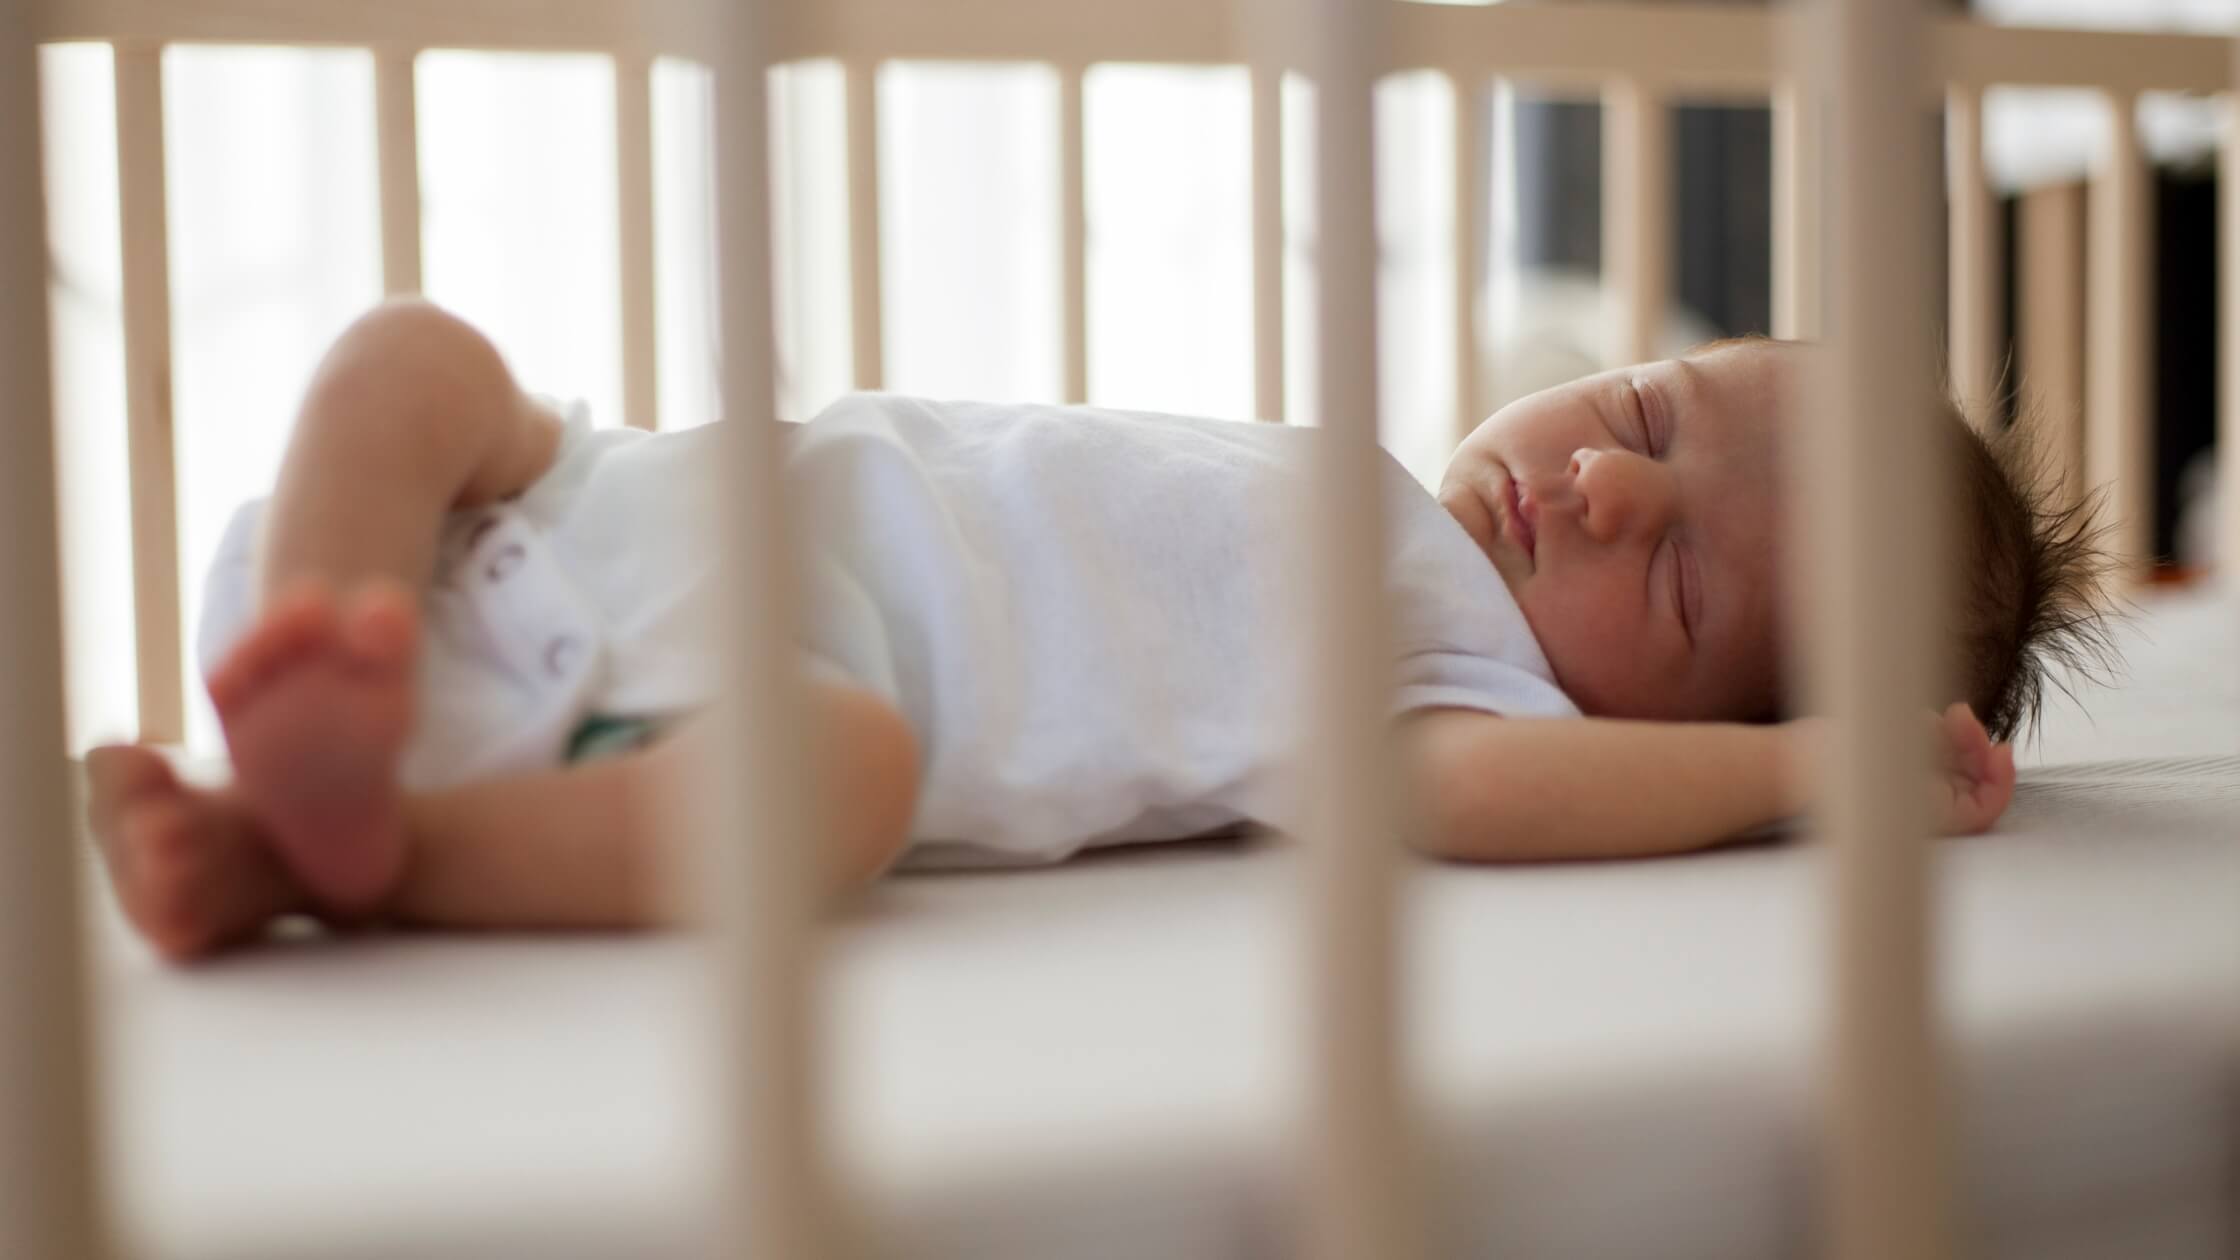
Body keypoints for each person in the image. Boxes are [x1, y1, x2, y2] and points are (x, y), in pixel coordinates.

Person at [82, 300, 2112, 960]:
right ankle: (322, 644)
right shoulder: (1372, 496)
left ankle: (341, 842)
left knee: (842, 789)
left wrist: (1805, 772)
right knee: (415, 356)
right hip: (586, 509)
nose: (1601, 486)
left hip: (700, 713)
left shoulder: (1456, 680)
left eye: (1674, 582)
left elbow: (1468, 799)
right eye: (1650, 415)